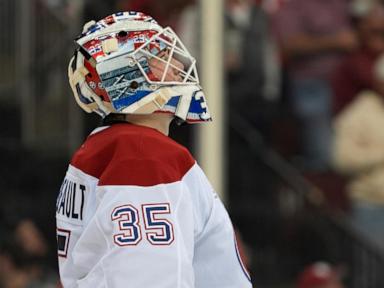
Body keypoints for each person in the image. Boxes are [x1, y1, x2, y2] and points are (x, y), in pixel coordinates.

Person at [56, 12, 252, 288]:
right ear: (125, 75)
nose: (175, 67)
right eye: (159, 57)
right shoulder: (143, 153)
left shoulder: (104, 146)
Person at [272, 0, 358, 171]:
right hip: (312, 85)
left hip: (350, 84)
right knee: (323, 154)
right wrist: (334, 42)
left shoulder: (343, 4)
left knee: (355, 147)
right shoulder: (294, 6)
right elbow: (288, 45)